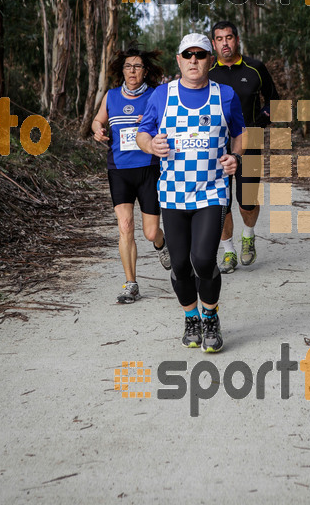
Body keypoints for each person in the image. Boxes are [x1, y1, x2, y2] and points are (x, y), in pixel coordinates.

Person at [136, 33, 245, 352]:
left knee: (202, 258)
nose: (194, 60)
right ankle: (191, 317)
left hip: (211, 192)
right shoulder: (161, 95)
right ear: (179, 60)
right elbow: (143, 131)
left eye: (200, 54)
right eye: (188, 55)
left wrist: (235, 157)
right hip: (173, 194)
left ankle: (210, 316)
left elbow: (239, 132)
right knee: (181, 264)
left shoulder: (225, 95)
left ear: (211, 59)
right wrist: (151, 145)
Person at [92, 46, 171, 304]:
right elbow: (97, 121)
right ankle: (131, 283)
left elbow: (170, 125)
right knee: (125, 226)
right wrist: (98, 130)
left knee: (150, 232)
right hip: (119, 170)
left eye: (137, 66)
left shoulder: (156, 96)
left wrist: (150, 123)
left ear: (145, 71)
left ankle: (161, 243)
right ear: (122, 70)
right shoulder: (111, 97)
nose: (133, 70)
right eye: (128, 66)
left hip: (148, 168)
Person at [209, 20, 278, 274]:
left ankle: (248, 235)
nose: (224, 43)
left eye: (229, 37)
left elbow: (275, 102)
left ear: (237, 39)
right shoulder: (208, 73)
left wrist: (256, 126)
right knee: (220, 203)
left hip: (250, 143)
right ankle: (228, 252)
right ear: (213, 43)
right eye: (219, 39)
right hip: (216, 148)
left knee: (246, 202)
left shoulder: (256, 68)